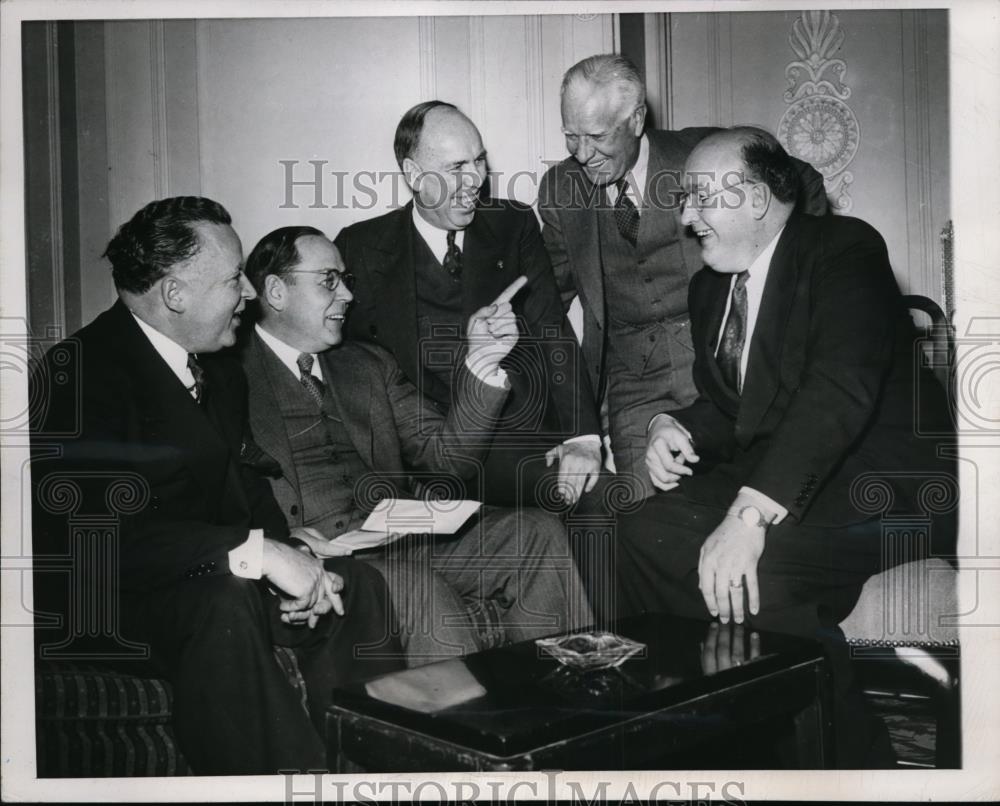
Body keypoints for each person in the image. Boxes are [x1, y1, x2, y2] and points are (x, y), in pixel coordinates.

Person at [614, 128, 956, 765]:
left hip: (891, 481)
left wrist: (749, 515)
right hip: (798, 472)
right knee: (637, 527)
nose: (686, 220)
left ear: (753, 197)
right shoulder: (711, 288)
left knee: (753, 570)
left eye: (696, 198)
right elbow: (735, 409)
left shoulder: (844, 250)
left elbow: (838, 386)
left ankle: (844, 762)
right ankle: (714, 733)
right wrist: (676, 426)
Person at [29, 197, 402, 775]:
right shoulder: (78, 374)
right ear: (175, 294)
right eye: (234, 280)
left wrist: (295, 556)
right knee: (224, 596)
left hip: (207, 574)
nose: (249, 294)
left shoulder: (220, 370)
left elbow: (245, 487)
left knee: (355, 585)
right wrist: (258, 554)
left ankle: (373, 772)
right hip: (113, 602)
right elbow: (102, 542)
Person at [239, 225, 593, 663]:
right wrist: (279, 543)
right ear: (275, 291)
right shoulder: (227, 376)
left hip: (399, 536)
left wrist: (482, 361)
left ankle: (568, 700)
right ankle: (468, 728)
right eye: (328, 280)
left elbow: (447, 458)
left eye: (346, 281)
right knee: (419, 589)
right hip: (323, 559)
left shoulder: (367, 364)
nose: (348, 296)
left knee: (535, 532)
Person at [538, 54, 829, 499]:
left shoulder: (703, 154)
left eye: (597, 137)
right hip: (635, 386)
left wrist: (784, 274)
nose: (581, 154)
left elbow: (801, 181)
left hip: (722, 369)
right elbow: (547, 304)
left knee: (735, 507)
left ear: (635, 119)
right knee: (644, 521)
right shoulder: (561, 190)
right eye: (570, 136)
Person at [335, 101, 603, 508]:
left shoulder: (512, 224)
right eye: (455, 168)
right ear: (414, 175)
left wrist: (582, 437)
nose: (475, 179)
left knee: (598, 500)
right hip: (429, 452)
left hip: (522, 435)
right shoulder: (360, 248)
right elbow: (347, 367)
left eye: (479, 161)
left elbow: (553, 331)